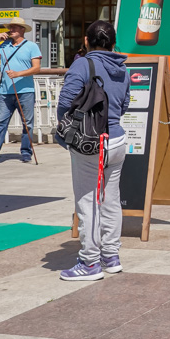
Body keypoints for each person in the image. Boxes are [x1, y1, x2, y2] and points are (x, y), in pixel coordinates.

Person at [56, 20, 132, 281]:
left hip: (90, 142)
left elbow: (65, 102)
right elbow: (124, 105)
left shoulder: (82, 64)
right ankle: (111, 256)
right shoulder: (122, 67)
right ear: (113, 43)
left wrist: (65, 132)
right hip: (117, 140)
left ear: (86, 42)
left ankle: (90, 262)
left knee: (88, 201)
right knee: (110, 200)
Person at [0, 17, 41, 164]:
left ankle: (26, 152)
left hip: (25, 90)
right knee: (0, 122)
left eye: (15, 27)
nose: (11, 30)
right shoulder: (4, 45)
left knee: (27, 123)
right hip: (5, 91)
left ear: (22, 30)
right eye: (10, 27)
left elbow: (36, 68)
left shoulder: (31, 46)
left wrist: (18, 74)